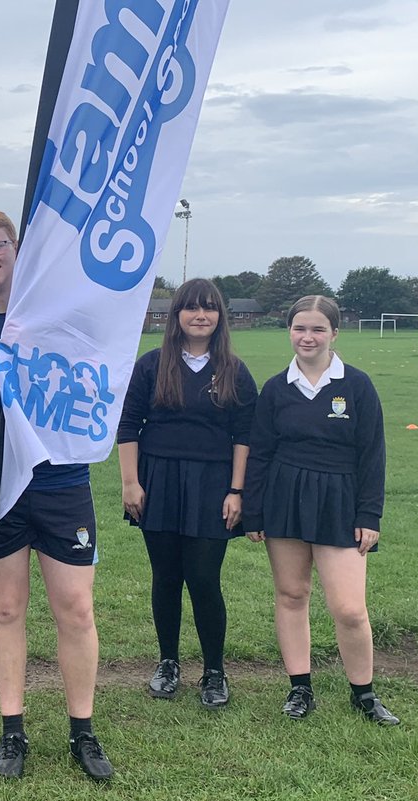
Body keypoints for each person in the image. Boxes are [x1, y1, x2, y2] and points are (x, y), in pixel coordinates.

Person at [0, 208, 113, 782]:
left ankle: (82, 731)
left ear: (17, 248)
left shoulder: (60, 312)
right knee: (5, 609)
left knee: (75, 608)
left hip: (62, 480)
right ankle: (12, 730)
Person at [245, 295, 399, 726]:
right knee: (292, 595)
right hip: (285, 498)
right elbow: (260, 452)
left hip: (340, 502)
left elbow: (373, 455)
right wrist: (254, 512)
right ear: (289, 331)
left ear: (334, 333)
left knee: (349, 608)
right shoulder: (276, 387)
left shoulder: (357, 385)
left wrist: (369, 515)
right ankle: (300, 688)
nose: (307, 337)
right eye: (299, 328)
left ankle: (364, 695)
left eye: (317, 329)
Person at [117, 278, 257, 708]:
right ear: (176, 314)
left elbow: (244, 435)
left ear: (220, 316)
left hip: (212, 486)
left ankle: (214, 671)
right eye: (192, 307)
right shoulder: (152, 364)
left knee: (203, 578)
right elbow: (128, 425)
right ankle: (168, 663)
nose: (201, 315)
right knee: (166, 577)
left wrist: (237, 490)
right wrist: (130, 482)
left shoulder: (233, 369)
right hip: (157, 481)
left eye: (210, 308)